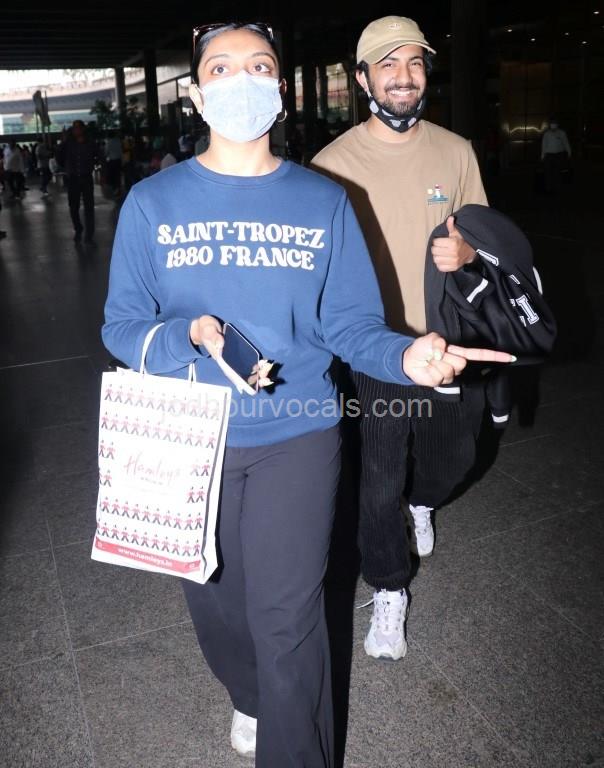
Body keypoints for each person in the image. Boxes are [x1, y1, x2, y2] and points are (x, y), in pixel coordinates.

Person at [101, 22, 513, 767]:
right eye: (221, 69)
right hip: (190, 435)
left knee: (288, 618)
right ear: (196, 94)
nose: (242, 80)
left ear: (282, 90)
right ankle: (249, 693)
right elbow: (120, 325)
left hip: (298, 431)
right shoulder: (152, 203)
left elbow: (349, 323)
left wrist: (406, 355)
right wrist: (183, 336)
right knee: (219, 608)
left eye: (260, 66)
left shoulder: (322, 200)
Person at [312, 16, 491, 661]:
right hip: (375, 349)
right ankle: (389, 586)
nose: (403, 76)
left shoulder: (456, 151)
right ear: (363, 79)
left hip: (448, 341)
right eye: (387, 64)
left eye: (414, 63)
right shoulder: (330, 166)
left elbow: (487, 239)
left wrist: (469, 251)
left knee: (457, 456)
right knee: (377, 478)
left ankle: (425, 501)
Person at [56, 120, 99, 242]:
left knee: (89, 207)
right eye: (75, 128)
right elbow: (59, 158)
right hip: (73, 179)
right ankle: (78, 228)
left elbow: (99, 156)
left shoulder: (90, 143)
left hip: (86, 178)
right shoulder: (68, 143)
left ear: (83, 129)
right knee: (73, 207)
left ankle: (89, 234)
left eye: (79, 128)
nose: (77, 130)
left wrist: (102, 173)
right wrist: (63, 142)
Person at [541, 117, 571, 193]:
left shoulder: (562, 133)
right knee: (548, 172)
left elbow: (566, 143)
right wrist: (542, 155)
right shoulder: (547, 134)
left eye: (554, 123)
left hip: (559, 155)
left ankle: (557, 187)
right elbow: (544, 145)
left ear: (557, 124)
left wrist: (569, 152)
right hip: (549, 155)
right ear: (550, 124)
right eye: (552, 123)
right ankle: (548, 187)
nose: (553, 125)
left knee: (557, 172)